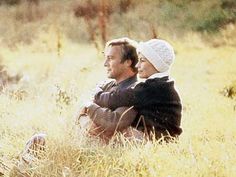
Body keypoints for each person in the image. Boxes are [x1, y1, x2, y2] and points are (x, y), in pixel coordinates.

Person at [93, 38, 183, 141]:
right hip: (163, 139)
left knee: (113, 132)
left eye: (142, 60)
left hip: (158, 141)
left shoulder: (153, 88)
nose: (137, 65)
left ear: (156, 63)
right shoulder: (162, 84)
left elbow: (117, 99)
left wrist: (97, 95)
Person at [78, 38, 143, 141]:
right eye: (106, 58)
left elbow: (114, 122)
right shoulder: (109, 85)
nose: (105, 64)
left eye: (111, 58)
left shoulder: (134, 90)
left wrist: (89, 107)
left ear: (128, 62)